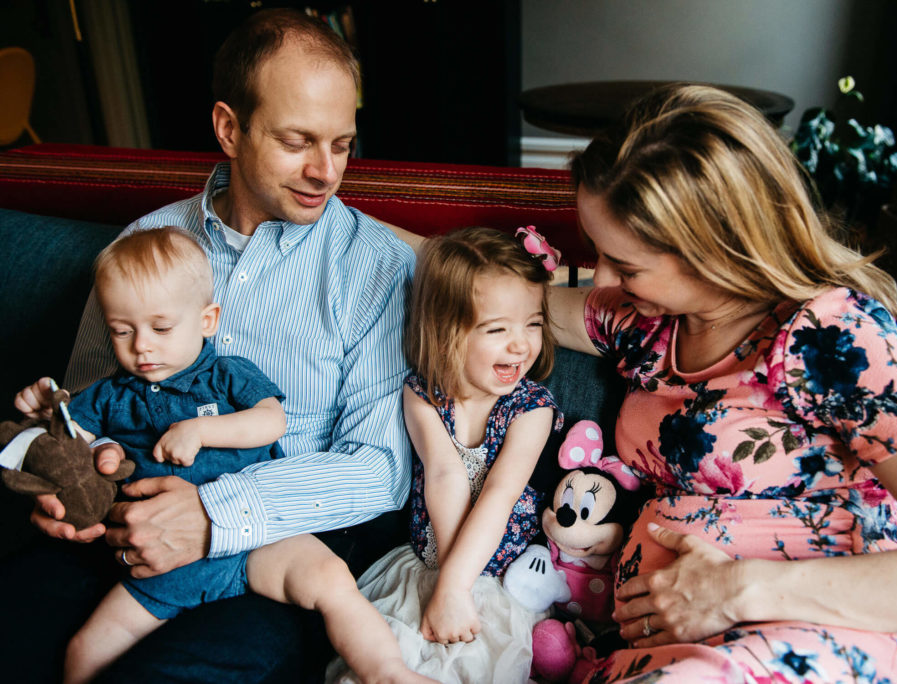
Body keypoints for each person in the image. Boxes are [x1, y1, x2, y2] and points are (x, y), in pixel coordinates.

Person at [543, 84, 897, 682]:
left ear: (714, 250)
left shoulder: (830, 337)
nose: (603, 276)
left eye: (627, 264)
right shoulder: (648, 322)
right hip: (667, 643)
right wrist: (390, 239)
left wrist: (738, 590)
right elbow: (508, 305)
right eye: (599, 251)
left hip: (814, 637)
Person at [4, 9, 418, 682]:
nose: (326, 171)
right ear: (230, 128)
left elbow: (378, 468)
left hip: (274, 552)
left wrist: (211, 514)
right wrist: (65, 485)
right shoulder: (141, 244)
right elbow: (84, 400)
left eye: (341, 144)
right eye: (297, 140)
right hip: (117, 529)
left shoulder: (375, 266)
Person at [42, 227, 428, 684]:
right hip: (158, 562)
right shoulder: (112, 394)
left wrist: (202, 430)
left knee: (331, 581)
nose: (141, 346)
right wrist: (49, 417)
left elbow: (271, 421)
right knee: (85, 648)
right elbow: (68, 435)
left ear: (207, 321)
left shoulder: (225, 373)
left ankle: (387, 672)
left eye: (161, 328)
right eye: (122, 331)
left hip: (258, 542)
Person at [329, 227, 564, 683]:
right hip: (423, 566)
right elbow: (443, 474)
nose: (521, 344)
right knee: (390, 658)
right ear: (446, 333)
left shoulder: (530, 408)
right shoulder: (422, 395)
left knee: (480, 664)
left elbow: (499, 495)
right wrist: (445, 586)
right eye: (498, 329)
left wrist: (459, 586)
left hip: (498, 576)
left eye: (533, 323)